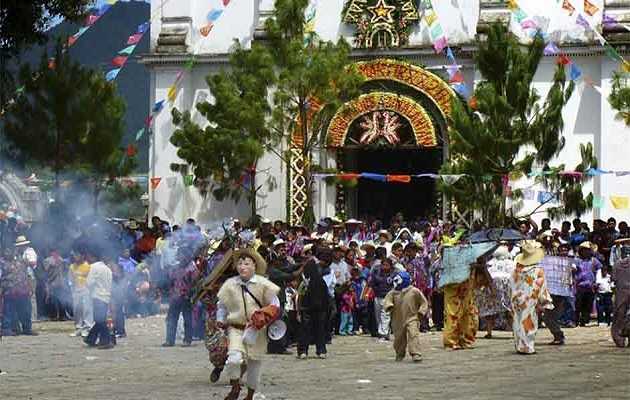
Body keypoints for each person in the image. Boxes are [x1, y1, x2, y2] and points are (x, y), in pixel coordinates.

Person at [216, 248, 280, 400]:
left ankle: (250, 396)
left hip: (257, 330)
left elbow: (275, 304)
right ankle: (235, 386)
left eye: (247, 263)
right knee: (233, 359)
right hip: (236, 328)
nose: (242, 266)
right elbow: (222, 305)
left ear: (254, 266)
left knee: (254, 365)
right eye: (240, 263)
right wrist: (220, 318)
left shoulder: (264, 284)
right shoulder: (230, 284)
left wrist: (265, 315)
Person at [510, 240, 554, 354]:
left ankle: (520, 345)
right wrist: (543, 301)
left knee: (517, 321)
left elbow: (510, 285)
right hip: (530, 298)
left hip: (517, 298)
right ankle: (528, 346)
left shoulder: (516, 270)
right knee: (530, 320)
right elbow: (541, 287)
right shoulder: (538, 271)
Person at [383, 271, 428, 362]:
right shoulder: (393, 293)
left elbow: (424, 302)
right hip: (397, 319)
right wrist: (389, 306)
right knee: (399, 338)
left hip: (412, 317)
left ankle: (416, 353)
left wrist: (421, 311)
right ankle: (399, 353)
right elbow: (387, 301)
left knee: (413, 334)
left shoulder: (414, 291)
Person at [297, 250, 331, 359]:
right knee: (305, 329)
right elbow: (301, 292)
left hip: (320, 306)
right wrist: (299, 309)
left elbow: (326, 293)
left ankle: (321, 350)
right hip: (307, 305)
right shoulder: (307, 276)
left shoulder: (323, 277)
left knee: (320, 328)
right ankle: (303, 351)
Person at [163, 248, 200, 347]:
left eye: (182, 255)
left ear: (188, 257)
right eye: (179, 255)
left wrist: (190, 295)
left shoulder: (192, 269)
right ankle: (170, 340)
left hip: (186, 297)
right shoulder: (175, 268)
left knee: (187, 319)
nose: (180, 257)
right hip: (175, 297)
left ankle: (187, 340)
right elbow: (171, 282)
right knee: (171, 319)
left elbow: (196, 284)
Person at [84, 248, 114, 349]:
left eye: (88, 256)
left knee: (100, 320)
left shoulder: (93, 267)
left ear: (92, 256)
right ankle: (90, 339)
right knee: (99, 319)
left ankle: (106, 341)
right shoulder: (108, 269)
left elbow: (89, 283)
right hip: (106, 297)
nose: (86, 258)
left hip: (97, 296)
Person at [573, 241, 602, 327]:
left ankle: (584, 320)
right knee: (578, 304)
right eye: (585, 250)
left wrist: (597, 282)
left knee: (588, 304)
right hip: (579, 286)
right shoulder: (577, 260)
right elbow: (573, 270)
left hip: (590, 286)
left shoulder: (594, 261)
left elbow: (599, 271)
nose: (587, 252)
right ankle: (576, 320)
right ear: (581, 251)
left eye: (588, 250)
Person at [369, 257, 396, 341]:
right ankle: (385, 332)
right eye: (383, 265)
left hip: (388, 297)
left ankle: (383, 334)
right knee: (378, 316)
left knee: (385, 315)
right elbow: (372, 283)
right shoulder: (376, 273)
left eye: (386, 265)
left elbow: (395, 286)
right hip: (378, 296)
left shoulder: (394, 274)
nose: (384, 267)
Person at [69, 250, 93, 337]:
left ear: (83, 256)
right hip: (76, 290)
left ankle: (87, 328)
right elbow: (70, 279)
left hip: (86, 290)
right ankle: (78, 328)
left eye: (77, 255)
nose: (75, 257)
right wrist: (72, 290)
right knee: (77, 310)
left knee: (87, 310)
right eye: (75, 255)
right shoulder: (72, 267)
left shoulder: (88, 266)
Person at [611, 238, 630, 347]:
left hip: (621, 293)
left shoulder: (617, 264)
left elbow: (614, 278)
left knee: (619, 316)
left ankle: (619, 339)